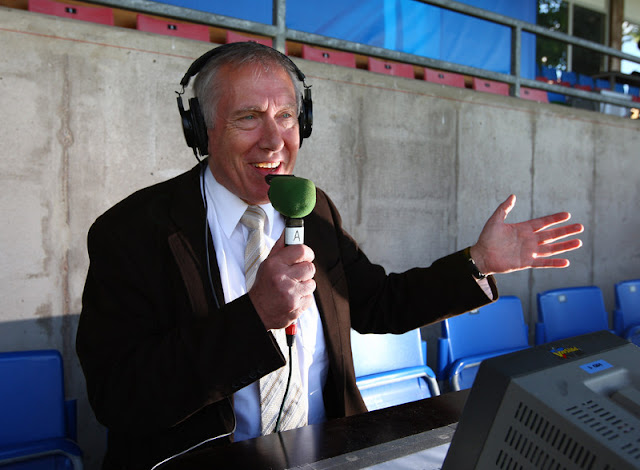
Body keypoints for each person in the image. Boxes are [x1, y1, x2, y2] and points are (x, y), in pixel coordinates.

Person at [76, 42, 584, 470]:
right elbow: (119, 396)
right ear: (200, 129)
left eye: (286, 117)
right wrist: (255, 317)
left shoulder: (313, 208)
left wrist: (478, 262)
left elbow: (378, 303)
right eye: (248, 117)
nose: (273, 141)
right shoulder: (132, 231)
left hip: (327, 454)